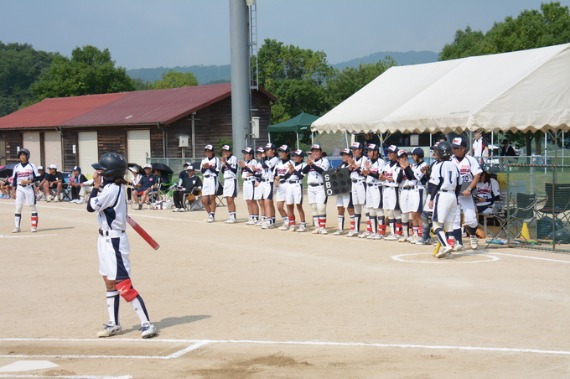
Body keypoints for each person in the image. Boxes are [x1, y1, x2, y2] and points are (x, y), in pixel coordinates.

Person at [87, 152, 156, 339]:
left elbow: (90, 206)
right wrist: (98, 185)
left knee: (122, 282)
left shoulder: (111, 190)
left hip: (115, 241)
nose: (98, 172)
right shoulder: (111, 187)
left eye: (101, 170)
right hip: (104, 239)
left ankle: (146, 323)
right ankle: (114, 324)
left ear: (109, 173)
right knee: (109, 282)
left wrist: (95, 186)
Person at [427, 141, 462, 258]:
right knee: (449, 224)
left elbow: (435, 184)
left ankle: (445, 245)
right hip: (453, 195)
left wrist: (431, 198)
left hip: (443, 195)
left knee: (436, 225)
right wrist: (456, 198)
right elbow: (459, 184)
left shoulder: (438, 165)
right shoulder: (455, 165)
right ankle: (451, 245)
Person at [451, 137, 483, 250]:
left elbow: (477, 176)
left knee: (471, 219)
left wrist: (469, 189)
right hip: (454, 193)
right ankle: (458, 242)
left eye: (456, 148)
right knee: (455, 219)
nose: (454, 150)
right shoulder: (450, 160)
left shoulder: (470, 160)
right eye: (453, 147)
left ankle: (473, 235)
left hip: (466, 193)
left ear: (463, 148)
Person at [302, 144, 330, 234]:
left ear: (321, 152)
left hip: (321, 186)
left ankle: (322, 227)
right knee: (313, 207)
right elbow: (304, 172)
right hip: (311, 187)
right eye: (313, 151)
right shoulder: (311, 161)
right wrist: (309, 164)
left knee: (321, 207)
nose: (315, 153)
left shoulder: (324, 160)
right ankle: (317, 226)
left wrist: (312, 164)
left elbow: (323, 171)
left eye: (317, 151)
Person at [10, 148, 40, 232]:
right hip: (19, 188)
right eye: (20, 155)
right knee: (18, 207)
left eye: (23, 155)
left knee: (32, 206)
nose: (22, 156)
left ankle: (33, 226)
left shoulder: (32, 166)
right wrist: (13, 191)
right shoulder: (16, 167)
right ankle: (17, 227)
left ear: (27, 156)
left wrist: (28, 181)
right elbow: (14, 180)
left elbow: (37, 178)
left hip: (29, 187)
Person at [380, 145, 403, 241]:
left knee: (396, 211)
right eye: (388, 152)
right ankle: (393, 232)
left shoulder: (398, 165)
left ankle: (398, 232)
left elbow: (397, 180)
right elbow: (381, 176)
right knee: (389, 212)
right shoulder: (386, 165)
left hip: (394, 189)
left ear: (396, 154)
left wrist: (385, 178)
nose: (389, 154)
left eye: (391, 152)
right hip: (386, 189)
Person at [361, 143, 384, 240]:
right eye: (368, 151)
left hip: (377, 187)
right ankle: (374, 231)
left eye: (370, 151)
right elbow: (363, 174)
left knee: (378, 209)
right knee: (370, 210)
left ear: (376, 152)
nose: (368, 153)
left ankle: (381, 232)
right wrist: (365, 171)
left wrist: (369, 172)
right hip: (369, 186)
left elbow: (379, 175)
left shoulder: (381, 162)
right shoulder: (368, 162)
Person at [346, 142, 368, 237]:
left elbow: (363, 173)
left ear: (360, 150)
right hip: (353, 183)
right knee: (356, 206)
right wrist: (350, 166)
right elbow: (348, 172)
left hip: (361, 183)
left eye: (355, 149)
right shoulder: (353, 159)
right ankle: (356, 229)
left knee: (364, 205)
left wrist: (354, 165)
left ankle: (369, 229)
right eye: (352, 150)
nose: (353, 151)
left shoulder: (365, 159)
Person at [284, 149, 307, 232]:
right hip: (289, 185)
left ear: (301, 157)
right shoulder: (292, 164)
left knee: (298, 205)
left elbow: (301, 176)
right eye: (294, 156)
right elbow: (285, 176)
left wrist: (293, 170)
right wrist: (291, 170)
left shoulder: (303, 165)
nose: (295, 157)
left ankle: (303, 224)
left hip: (297, 185)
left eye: (297, 156)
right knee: (289, 205)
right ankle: (292, 223)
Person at [333, 148, 354, 235]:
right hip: (340, 190)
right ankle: (340, 229)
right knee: (340, 208)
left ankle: (353, 228)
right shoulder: (341, 165)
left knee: (350, 209)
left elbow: (349, 172)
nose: (344, 156)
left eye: (346, 155)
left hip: (348, 190)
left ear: (350, 156)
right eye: (343, 155)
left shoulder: (351, 164)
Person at [258, 143, 278, 229]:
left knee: (267, 202)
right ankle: (271, 219)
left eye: (268, 150)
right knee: (267, 202)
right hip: (264, 182)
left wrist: (262, 158)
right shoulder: (266, 159)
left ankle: (269, 221)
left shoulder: (275, 159)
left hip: (270, 182)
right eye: (265, 150)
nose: (266, 151)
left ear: (273, 150)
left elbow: (265, 165)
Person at [238, 147, 260, 225]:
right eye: (244, 154)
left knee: (252, 200)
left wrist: (245, 167)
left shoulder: (253, 161)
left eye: (246, 154)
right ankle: (251, 216)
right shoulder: (245, 162)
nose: (244, 155)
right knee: (248, 200)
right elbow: (244, 173)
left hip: (251, 181)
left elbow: (254, 172)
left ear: (251, 155)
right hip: (245, 182)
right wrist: (244, 167)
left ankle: (256, 217)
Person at [201, 144, 221, 222]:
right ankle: (209, 214)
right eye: (206, 151)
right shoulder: (204, 160)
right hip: (205, 179)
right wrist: (204, 167)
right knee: (204, 200)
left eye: (209, 151)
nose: (207, 152)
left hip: (213, 178)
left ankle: (212, 214)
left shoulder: (216, 159)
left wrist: (209, 167)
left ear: (212, 152)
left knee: (212, 197)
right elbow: (202, 171)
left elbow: (217, 171)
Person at [274, 145, 292, 230]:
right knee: (279, 207)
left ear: (287, 153)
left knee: (289, 206)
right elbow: (275, 174)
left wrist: (280, 178)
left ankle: (290, 223)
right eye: (279, 151)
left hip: (288, 185)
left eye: (282, 152)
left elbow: (289, 174)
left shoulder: (291, 163)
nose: (280, 153)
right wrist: (276, 180)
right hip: (280, 186)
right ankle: (286, 220)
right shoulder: (278, 163)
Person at [221, 145, 239, 223]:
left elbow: (234, 170)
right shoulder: (224, 159)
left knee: (230, 199)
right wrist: (223, 164)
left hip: (232, 180)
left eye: (227, 151)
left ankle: (233, 217)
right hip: (226, 180)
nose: (225, 153)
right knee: (227, 199)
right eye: (224, 151)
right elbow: (223, 171)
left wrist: (226, 163)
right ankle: (230, 215)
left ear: (230, 152)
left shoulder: (233, 158)